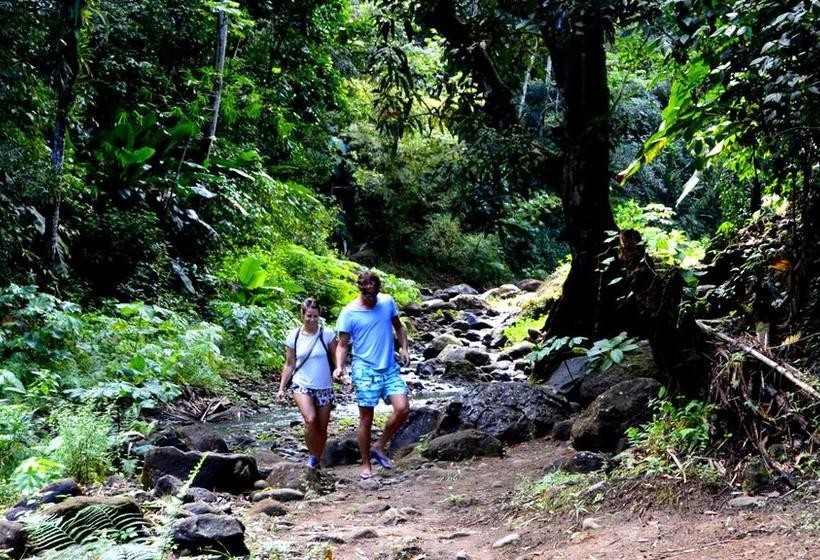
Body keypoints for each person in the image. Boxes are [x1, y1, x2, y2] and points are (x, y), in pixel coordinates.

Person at [333, 270, 411, 479]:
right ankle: (366, 464)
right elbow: (342, 345)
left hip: (389, 366)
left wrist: (404, 348)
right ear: (360, 290)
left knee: (403, 409)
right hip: (364, 369)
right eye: (367, 294)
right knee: (366, 418)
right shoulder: (349, 312)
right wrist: (339, 367)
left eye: (374, 293)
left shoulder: (387, 302)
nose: (371, 298)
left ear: (378, 290)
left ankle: (379, 445)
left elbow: (399, 328)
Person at [277, 298, 337, 469]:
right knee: (310, 420)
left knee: (322, 427)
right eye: (309, 316)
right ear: (302, 315)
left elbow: (336, 358)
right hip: (301, 384)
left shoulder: (327, 334)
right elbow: (289, 364)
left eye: (315, 316)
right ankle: (312, 457)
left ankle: (318, 457)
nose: (312, 320)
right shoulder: (294, 336)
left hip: (324, 386)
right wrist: (282, 388)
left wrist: (341, 372)